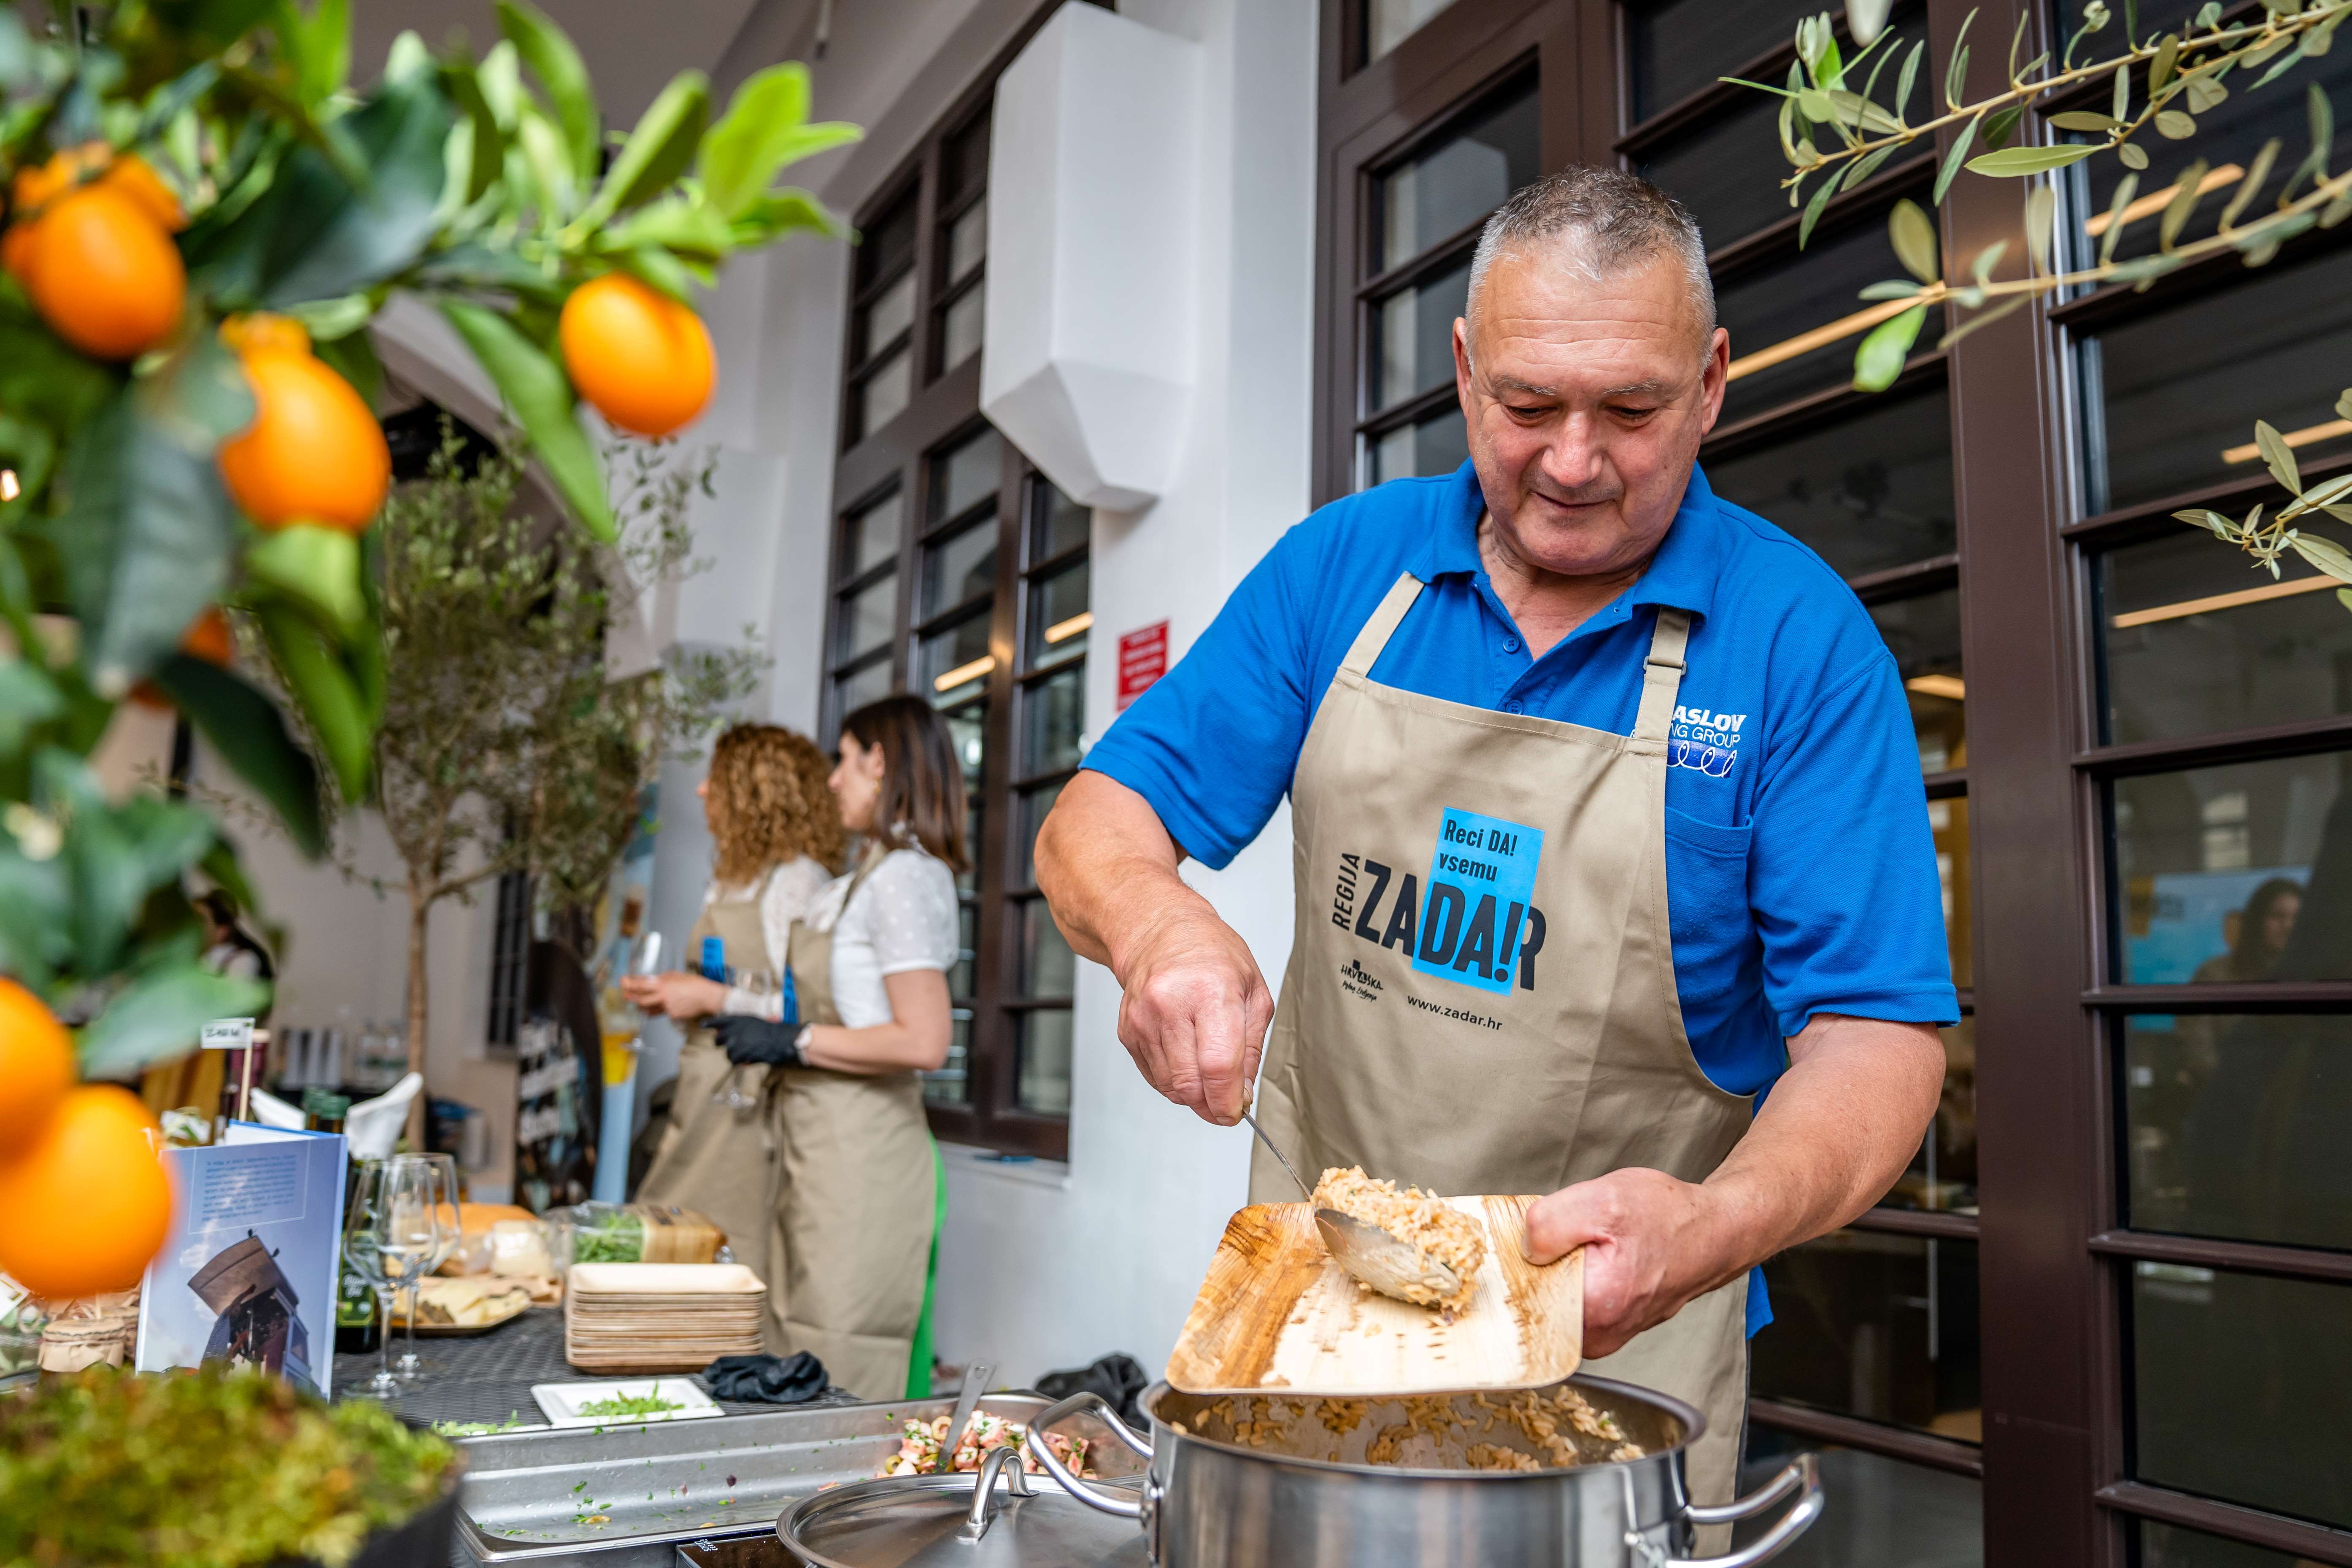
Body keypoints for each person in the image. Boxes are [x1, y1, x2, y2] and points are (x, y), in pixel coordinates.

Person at [1036, 166, 1954, 1508]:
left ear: (1710, 383)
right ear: (1465, 371)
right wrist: (1159, 924)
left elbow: (1879, 1039)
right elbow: (1097, 820)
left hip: (1615, 1354)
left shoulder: (1799, 647)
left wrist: (1711, 1226)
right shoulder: (1346, 569)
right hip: (1317, 1315)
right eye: (1527, 406)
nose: (1573, 462)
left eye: (1631, 410)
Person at [710, 696, 962, 1400]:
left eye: (844, 760)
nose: (832, 780)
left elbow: (924, 1038)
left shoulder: (908, 877)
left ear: (879, 763)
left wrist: (794, 1039)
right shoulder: (862, 881)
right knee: (796, 1343)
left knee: (842, 1362)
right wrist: (748, 1018)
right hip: (818, 1147)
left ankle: (843, 1510)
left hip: (864, 1158)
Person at [625, 725, 843, 1268]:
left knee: (713, 1251)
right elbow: (739, 986)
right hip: (702, 1087)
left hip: (748, 1102)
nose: (701, 791)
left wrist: (708, 998)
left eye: (716, 779)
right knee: (669, 1242)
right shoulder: (731, 880)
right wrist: (679, 998)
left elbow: (804, 1012)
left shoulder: (796, 882)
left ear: (755, 791)